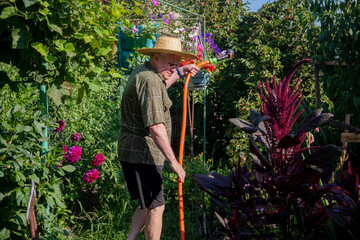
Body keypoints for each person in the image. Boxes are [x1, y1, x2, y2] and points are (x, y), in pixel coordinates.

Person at [118, 36, 200, 240]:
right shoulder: (150, 81)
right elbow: (155, 126)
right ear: (155, 57)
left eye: (177, 64)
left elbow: (162, 86)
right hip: (143, 154)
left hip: (134, 151)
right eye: (170, 64)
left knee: (146, 204)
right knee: (157, 207)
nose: (174, 68)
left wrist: (182, 70)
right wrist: (174, 162)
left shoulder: (146, 72)